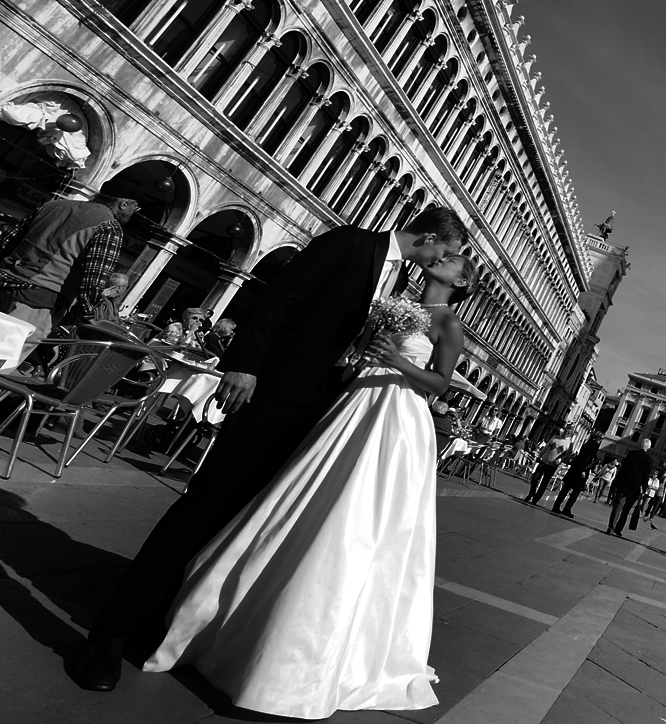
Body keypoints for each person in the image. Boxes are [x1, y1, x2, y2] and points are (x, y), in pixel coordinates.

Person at [72, 207, 467, 694]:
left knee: (245, 516)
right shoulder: (350, 244)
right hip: (272, 394)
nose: (444, 262)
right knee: (206, 504)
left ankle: (168, 618)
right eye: (446, 252)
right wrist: (244, 366)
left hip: (319, 410)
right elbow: (277, 299)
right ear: (428, 237)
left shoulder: (393, 281)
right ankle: (110, 633)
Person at [0, 191, 138, 368]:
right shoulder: (109, 226)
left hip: (4, 281)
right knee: (5, 360)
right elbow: (93, 278)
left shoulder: (52, 206)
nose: (135, 211)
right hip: (38, 299)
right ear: (124, 203)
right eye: (136, 206)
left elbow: (7, 242)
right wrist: (88, 315)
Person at [607, 439, 655, 536]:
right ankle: (618, 529)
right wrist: (643, 489)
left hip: (624, 485)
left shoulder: (631, 454)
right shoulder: (649, 460)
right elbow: (645, 477)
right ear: (648, 447)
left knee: (618, 507)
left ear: (640, 445)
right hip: (635, 489)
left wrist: (617, 481)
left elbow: (624, 469)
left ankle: (611, 528)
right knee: (626, 509)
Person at [550, 436, 601, 516]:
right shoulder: (592, 445)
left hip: (574, 470)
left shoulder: (587, 444)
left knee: (565, 488)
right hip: (580, 471)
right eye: (601, 438)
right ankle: (567, 509)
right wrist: (583, 470)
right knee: (576, 491)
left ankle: (556, 506)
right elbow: (585, 458)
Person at [523, 430, 570, 505]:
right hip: (543, 461)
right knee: (535, 477)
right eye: (565, 432)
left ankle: (536, 499)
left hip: (552, 465)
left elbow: (567, 455)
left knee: (544, 483)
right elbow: (546, 447)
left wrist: (560, 460)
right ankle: (532, 493)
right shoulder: (555, 437)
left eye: (568, 433)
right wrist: (540, 455)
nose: (565, 434)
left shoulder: (569, 444)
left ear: (570, 434)